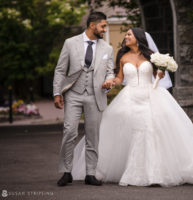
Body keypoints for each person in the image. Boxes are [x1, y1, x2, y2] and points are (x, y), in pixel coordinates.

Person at [72, 28, 193, 187]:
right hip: (129, 97)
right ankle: (124, 169)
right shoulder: (122, 56)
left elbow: (157, 76)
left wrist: (160, 74)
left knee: (149, 130)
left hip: (151, 96)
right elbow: (119, 78)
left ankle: (154, 172)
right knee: (128, 130)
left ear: (138, 37)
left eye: (129, 34)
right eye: (126, 34)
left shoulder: (152, 56)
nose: (126, 37)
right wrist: (110, 82)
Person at [53, 12, 115, 187]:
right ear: (92, 25)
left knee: (93, 136)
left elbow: (110, 71)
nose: (105, 29)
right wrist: (57, 93)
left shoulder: (107, 48)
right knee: (69, 132)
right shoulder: (70, 43)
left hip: (96, 95)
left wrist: (109, 81)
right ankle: (66, 172)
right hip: (73, 93)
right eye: (103, 26)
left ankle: (91, 173)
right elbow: (60, 70)